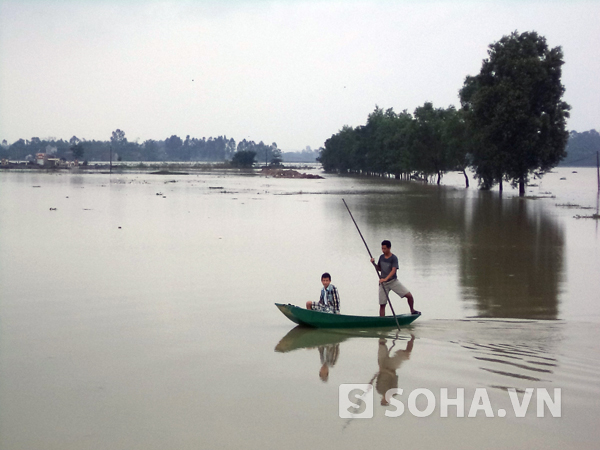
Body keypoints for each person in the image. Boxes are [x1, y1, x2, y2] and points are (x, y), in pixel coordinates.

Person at [370, 240, 420, 317]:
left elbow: (393, 270)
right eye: (382, 248)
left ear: (389, 248)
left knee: (409, 296)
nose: (383, 250)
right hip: (383, 283)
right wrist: (374, 263)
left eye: (385, 249)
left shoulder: (394, 258)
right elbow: (379, 269)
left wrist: (386, 279)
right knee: (382, 304)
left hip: (393, 281)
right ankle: (382, 321)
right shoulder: (381, 257)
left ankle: (412, 310)